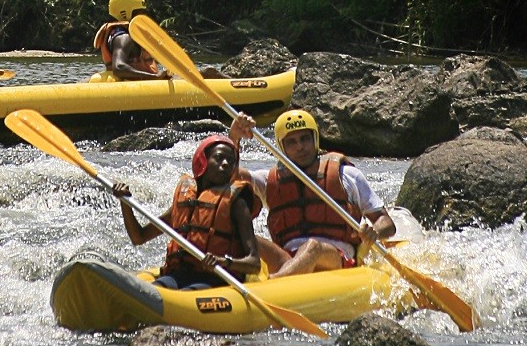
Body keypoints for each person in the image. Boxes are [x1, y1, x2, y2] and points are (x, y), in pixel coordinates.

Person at [228, 108, 396, 278]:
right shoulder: (270, 181)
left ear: (315, 140)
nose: (300, 147)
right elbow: (229, 177)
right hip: (287, 258)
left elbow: (386, 222)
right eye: (292, 142)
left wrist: (374, 232)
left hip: (337, 258)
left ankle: (275, 283)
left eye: (305, 139)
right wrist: (234, 138)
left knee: (312, 246)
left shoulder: (346, 175)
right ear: (281, 147)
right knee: (247, 239)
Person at [111, 134, 262, 288]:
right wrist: (125, 202)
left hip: (216, 278)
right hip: (179, 275)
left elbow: (254, 264)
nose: (225, 164)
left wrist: (224, 262)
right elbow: (139, 237)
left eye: (231, 162)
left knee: (187, 292)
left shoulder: (237, 203)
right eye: (219, 158)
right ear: (203, 161)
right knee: (154, 289)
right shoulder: (186, 201)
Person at [93, 0, 161, 80]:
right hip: (130, 86)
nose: (142, 15)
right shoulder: (123, 37)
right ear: (125, 12)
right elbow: (118, 68)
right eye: (139, 11)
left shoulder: (129, 34)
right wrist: (155, 77)